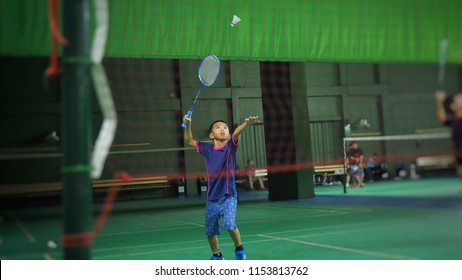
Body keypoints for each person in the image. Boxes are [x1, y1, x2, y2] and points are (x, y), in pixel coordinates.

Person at [183, 113, 259, 260]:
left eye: (225, 128)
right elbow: (188, 139)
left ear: (229, 134)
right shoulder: (206, 149)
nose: (223, 129)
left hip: (228, 195)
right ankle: (217, 255)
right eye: (218, 128)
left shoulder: (230, 147)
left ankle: (239, 247)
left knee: (229, 225)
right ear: (212, 135)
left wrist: (247, 123)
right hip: (212, 198)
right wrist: (188, 123)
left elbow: (237, 132)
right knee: (210, 231)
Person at [435, 90, 462, 178]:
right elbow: (442, 119)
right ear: (453, 106)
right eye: (458, 99)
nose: (460, 98)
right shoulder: (455, 122)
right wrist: (439, 102)